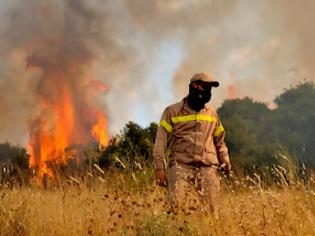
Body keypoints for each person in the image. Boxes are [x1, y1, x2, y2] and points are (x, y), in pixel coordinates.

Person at [153, 72, 231, 219]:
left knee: (212, 214)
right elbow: (160, 141)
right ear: (194, 86)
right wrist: (159, 168)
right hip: (180, 166)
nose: (208, 92)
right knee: (177, 211)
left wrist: (225, 159)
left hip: (208, 168)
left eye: (210, 88)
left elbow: (220, 141)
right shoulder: (172, 111)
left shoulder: (212, 114)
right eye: (205, 87)